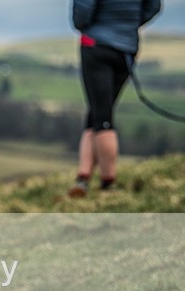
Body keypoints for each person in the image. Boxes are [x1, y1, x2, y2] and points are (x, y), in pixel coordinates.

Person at [68, 0, 161, 198]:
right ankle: (83, 177)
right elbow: (154, 6)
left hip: (96, 45)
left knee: (102, 117)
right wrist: (126, 24)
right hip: (126, 49)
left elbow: (81, 14)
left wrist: (97, 26)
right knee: (98, 109)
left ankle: (108, 181)